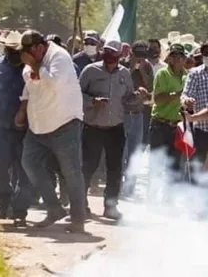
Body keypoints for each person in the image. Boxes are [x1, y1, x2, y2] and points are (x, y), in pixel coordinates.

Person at [17, 30, 86, 231]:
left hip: (64, 122)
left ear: (40, 47)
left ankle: (78, 219)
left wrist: (35, 66)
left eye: (29, 53)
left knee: (71, 172)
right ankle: (54, 209)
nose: (26, 58)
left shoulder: (60, 57)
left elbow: (54, 82)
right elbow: (28, 84)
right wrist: (22, 109)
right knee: (29, 162)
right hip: (38, 124)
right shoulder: (32, 61)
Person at [80, 40, 145, 220]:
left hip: (115, 128)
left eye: (113, 54)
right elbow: (77, 94)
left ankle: (110, 206)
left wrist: (139, 96)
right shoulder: (90, 71)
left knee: (115, 168)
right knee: (87, 167)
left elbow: (128, 100)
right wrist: (93, 101)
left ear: (119, 55)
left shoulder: (125, 74)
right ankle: (80, 205)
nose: (110, 56)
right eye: (107, 52)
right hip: (92, 127)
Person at [0, 31, 32, 226]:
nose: (12, 53)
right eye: (9, 49)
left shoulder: (30, 68)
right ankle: (4, 203)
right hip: (0, 126)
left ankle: (20, 210)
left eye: (15, 49)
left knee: (25, 171)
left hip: (25, 129)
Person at [148, 43, 188, 197]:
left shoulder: (187, 75)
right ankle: (151, 199)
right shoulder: (162, 74)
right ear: (170, 57)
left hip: (177, 126)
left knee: (175, 165)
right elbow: (157, 98)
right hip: (160, 124)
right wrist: (176, 95)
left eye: (180, 55)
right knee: (156, 164)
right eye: (174, 55)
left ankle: (168, 201)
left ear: (184, 58)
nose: (177, 58)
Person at [181, 39, 208, 176]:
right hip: (203, 131)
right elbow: (185, 94)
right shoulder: (195, 73)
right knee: (199, 170)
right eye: (205, 53)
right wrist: (186, 100)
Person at [120, 41, 154, 197]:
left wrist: (141, 72)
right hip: (122, 115)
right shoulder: (121, 64)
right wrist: (131, 69)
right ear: (131, 54)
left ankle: (130, 188)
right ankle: (117, 185)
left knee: (135, 153)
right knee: (122, 152)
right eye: (137, 56)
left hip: (138, 115)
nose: (141, 59)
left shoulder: (147, 67)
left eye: (143, 57)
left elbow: (150, 89)